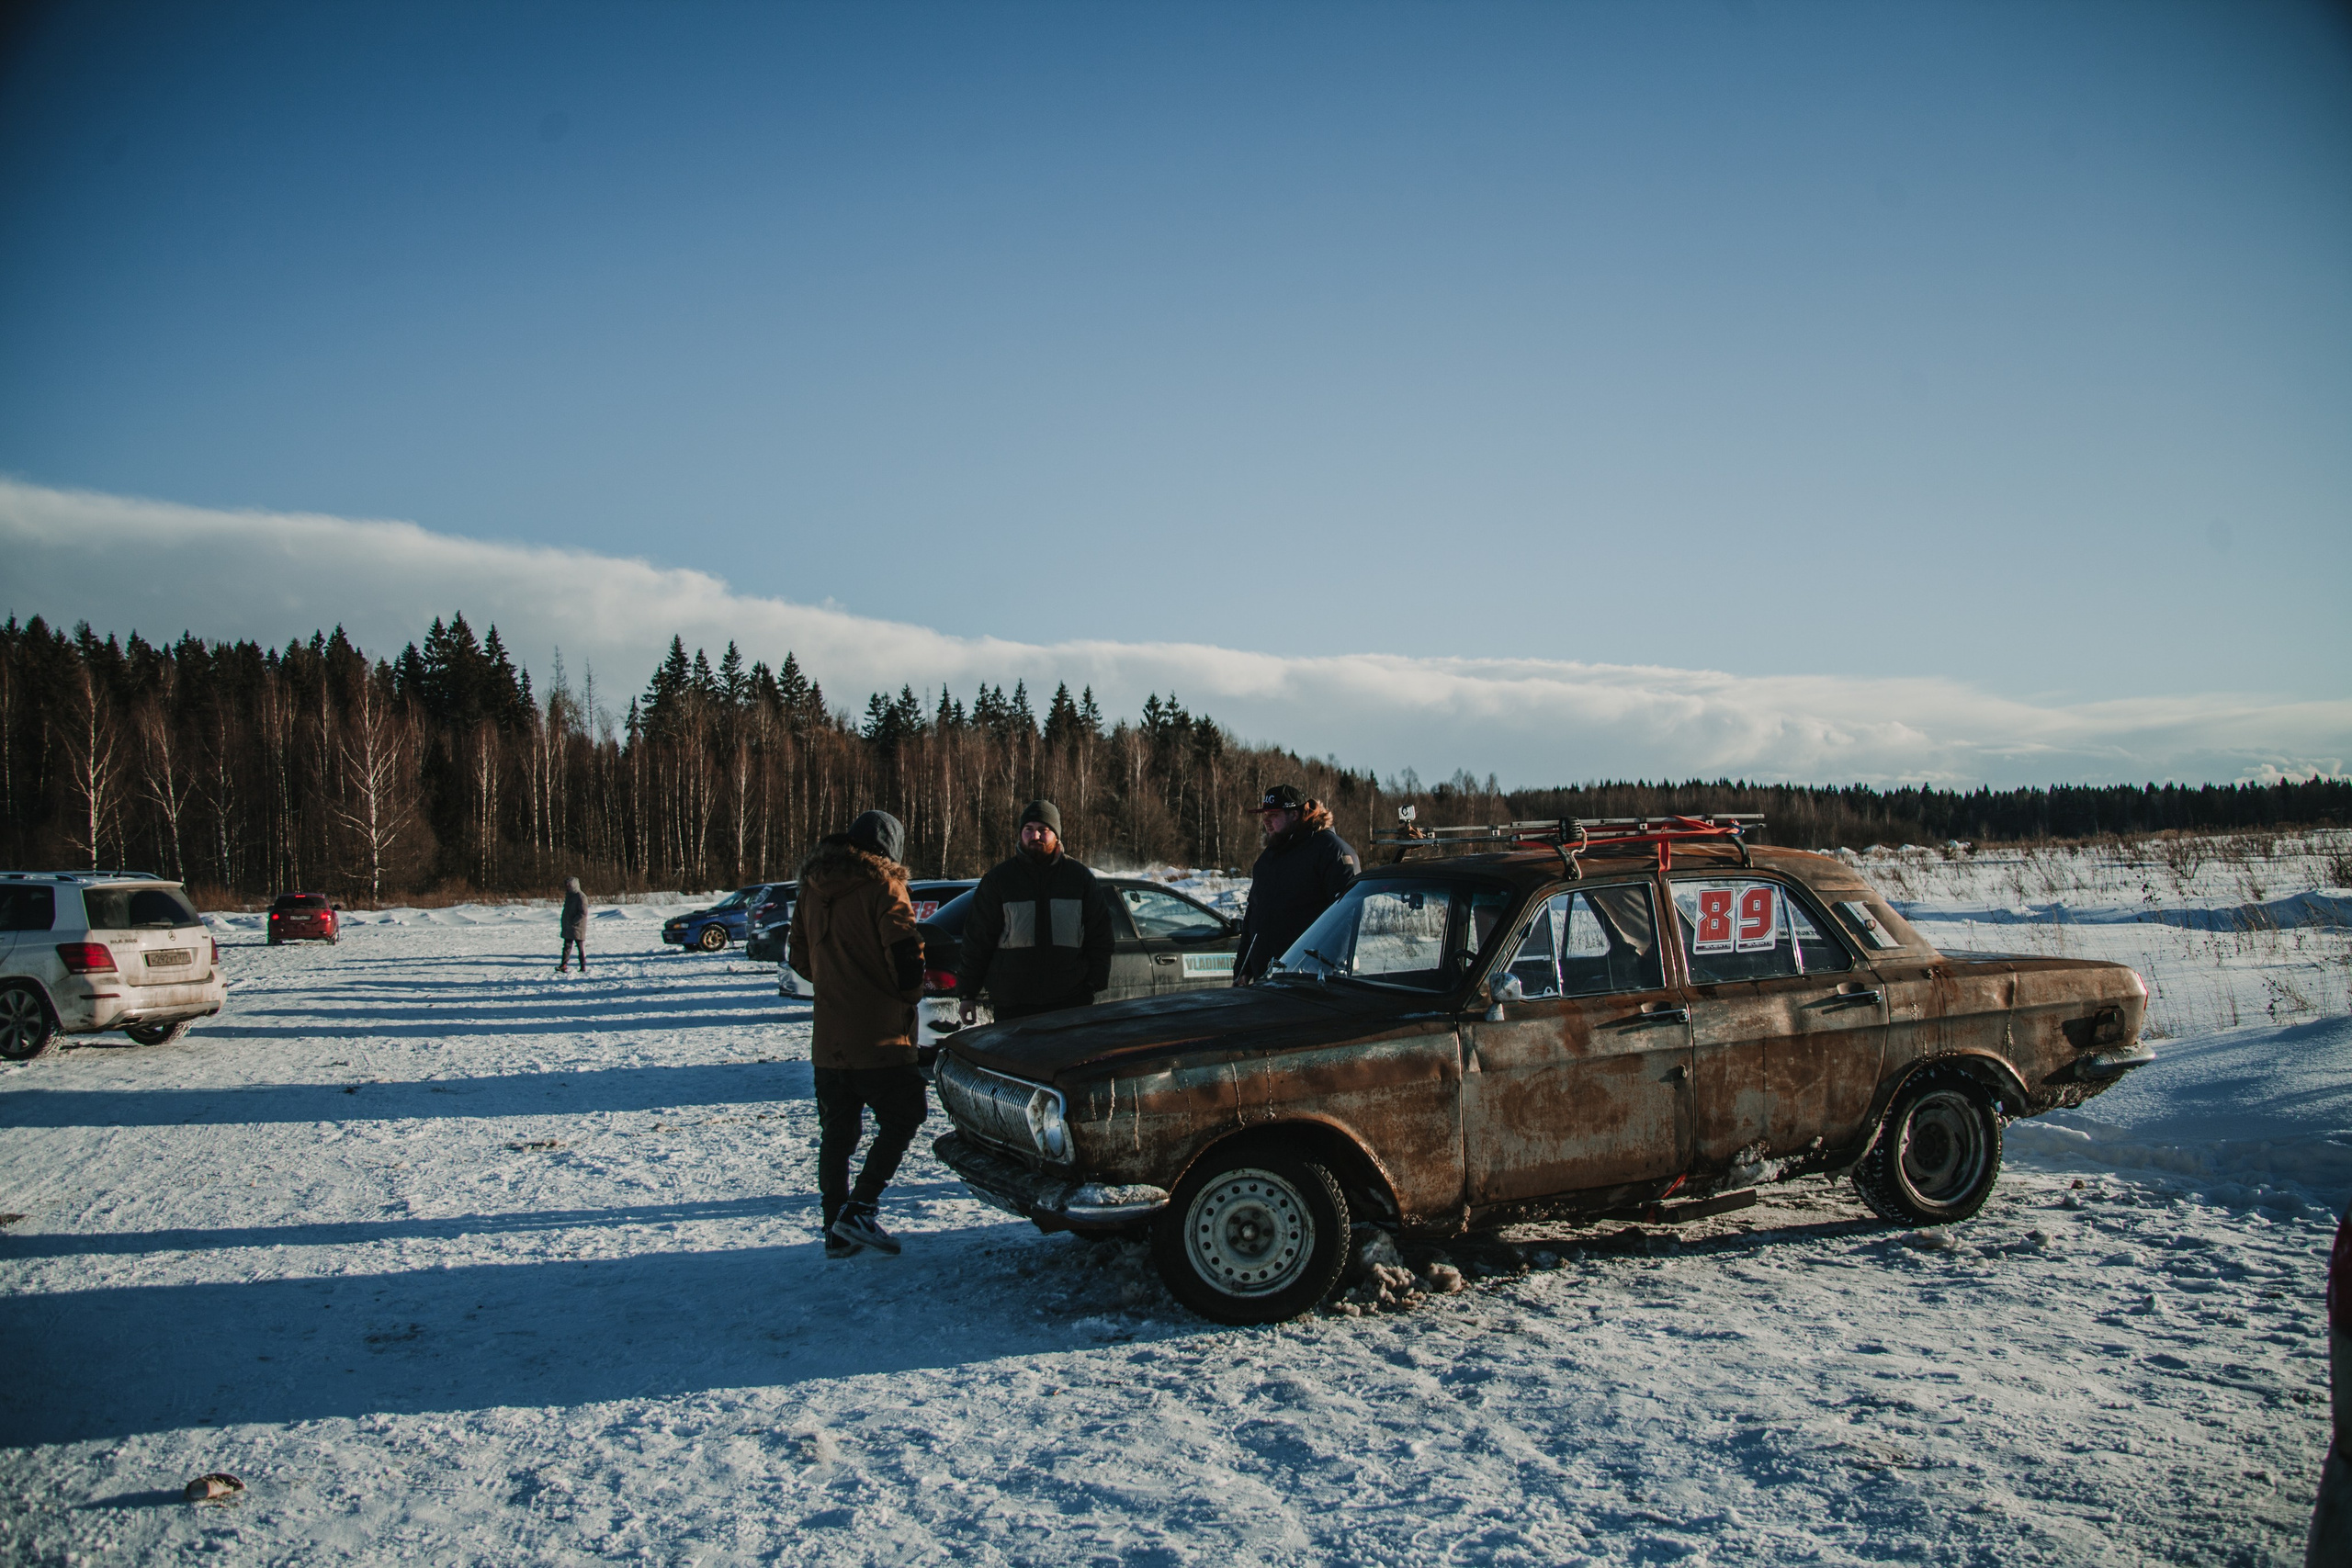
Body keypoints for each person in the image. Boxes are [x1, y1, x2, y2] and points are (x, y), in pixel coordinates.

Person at [787, 810, 928, 1258]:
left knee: (836, 1134)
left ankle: (835, 1229)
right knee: (907, 1114)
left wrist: (834, 984)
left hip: (828, 1039)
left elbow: (798, 957)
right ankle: (860, 1207)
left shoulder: (810, 888)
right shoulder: (885, 886)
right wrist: (905, 995)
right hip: (881, 1035)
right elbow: (906, 952)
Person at [956, 799, 1114, 1024]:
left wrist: (1092, 983)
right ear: (1021, 834)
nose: (1035, 836)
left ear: (1056, 835)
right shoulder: (1000, 880)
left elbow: (1101, 935)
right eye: (1028, 830)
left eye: (1043, 830)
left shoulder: (1079, 878)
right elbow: (977, 940)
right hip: (1013, 1004)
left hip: (1069, 1001)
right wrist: (967, 993)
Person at [1233, 784, 1360, 984]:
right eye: (1264, 814)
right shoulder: (1269, 857)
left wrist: (1323, 967)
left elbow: (1346, 918)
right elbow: (1253, 915)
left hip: (1310, 980)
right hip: (1266, 977)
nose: (1266, 820)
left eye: (1274, 814)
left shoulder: (1330, 851)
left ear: (1294, 814)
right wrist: (1244, 967)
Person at [558, 877, 589, 973]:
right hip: (568, 926)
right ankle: (563, 964)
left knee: (580, 947)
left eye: (569, 885)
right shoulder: (569, 896)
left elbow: (583, 912)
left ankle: (583, 965)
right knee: (567, 946)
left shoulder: (581, 896)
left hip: (577, 927)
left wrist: (574, 922)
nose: (567, 887)